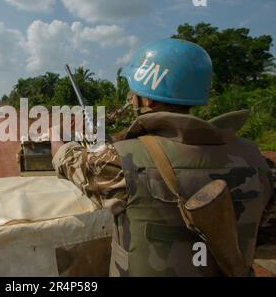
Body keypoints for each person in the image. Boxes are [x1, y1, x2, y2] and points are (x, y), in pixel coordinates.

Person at [50, 38, 276, 277]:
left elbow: (67, 160)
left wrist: (56, 135)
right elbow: (265, 234)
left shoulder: (120, 161)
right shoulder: (256, 160)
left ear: (147, 99)